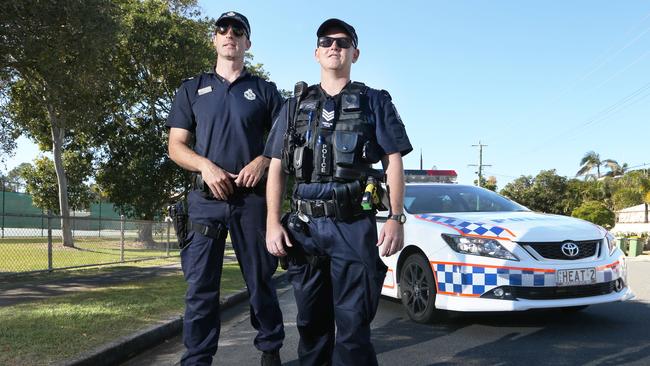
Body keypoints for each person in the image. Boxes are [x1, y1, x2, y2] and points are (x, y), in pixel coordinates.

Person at [264, 18, 412, 366]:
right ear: (316, 53)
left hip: (352, 224)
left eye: (343, 43)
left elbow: (393, 162)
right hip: (305, 228)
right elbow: (275, 167)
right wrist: (272, 222)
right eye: (327, 41)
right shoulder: (294, 105)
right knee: (310, 326)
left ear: (355, 53)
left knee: (353, 327)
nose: (335, 47)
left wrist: (395, 217)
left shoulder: (375, 101)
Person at [166, 11, 284, 366]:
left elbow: (283, 144)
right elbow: (176, 146)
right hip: (205, 201)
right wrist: (205, 165)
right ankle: (197, 359)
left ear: (247, 43)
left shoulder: (265, 91)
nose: (229, 34)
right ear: (215, 40)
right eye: (223, 30)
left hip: (251, 202)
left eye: (238, 31)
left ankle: (270, 350)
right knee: (201, 288)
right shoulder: (192, 89)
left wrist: (262, 161)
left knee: (261, 282)